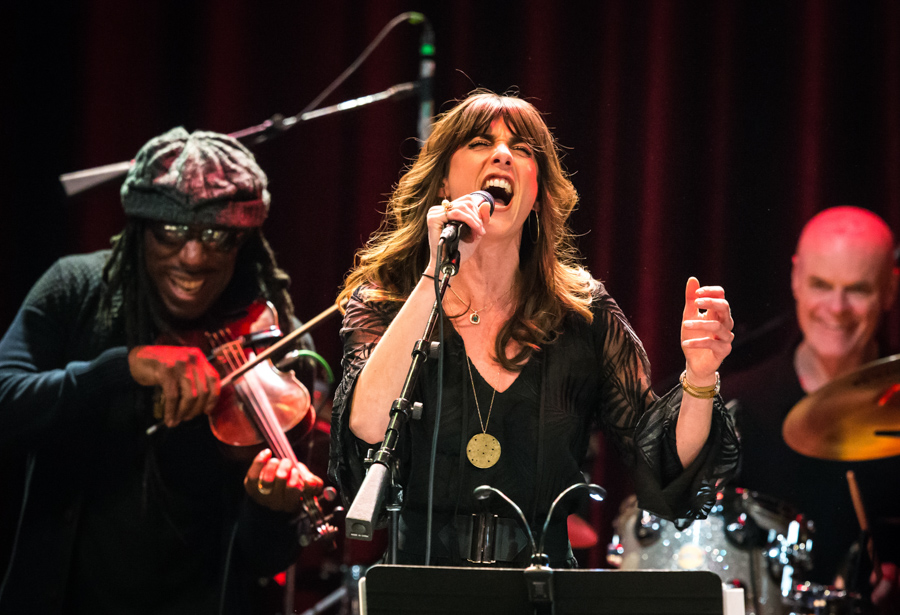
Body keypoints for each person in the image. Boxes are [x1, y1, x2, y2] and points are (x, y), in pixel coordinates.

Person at [327, 90, 740, 568]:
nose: (502, 154)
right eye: (481, 143)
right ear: (443, 181)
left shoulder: (583, 313)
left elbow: (664, 465)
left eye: (522, 149)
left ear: (538, 193)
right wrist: (432, 278)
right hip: (421, 582)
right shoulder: (389, 300)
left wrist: (701, 377)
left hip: (543, 587)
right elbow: (367, 427)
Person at [0, 128, 325, 614]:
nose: (192, 258)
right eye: (171, 231)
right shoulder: (75, 289)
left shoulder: (275, 342)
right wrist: (122, 367)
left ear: (245, 241)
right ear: (139, 228)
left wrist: (271, 510)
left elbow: (266, 559)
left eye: (217, 236)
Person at [726, 206, 900, 610]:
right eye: (822, 284)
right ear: (796, 278)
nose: (837, 308)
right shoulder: (737, 408)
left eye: (858, 289)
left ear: (890, 289)